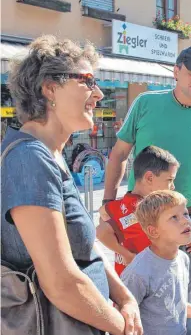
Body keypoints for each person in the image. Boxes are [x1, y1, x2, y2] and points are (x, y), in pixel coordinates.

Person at [1, 35, 142, 335]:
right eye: (88, 81)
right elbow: (61, 282)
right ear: (49, 88)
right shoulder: (30, 159)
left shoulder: (51, 154)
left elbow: (84, 247)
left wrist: (123, 296)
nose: (100, 94)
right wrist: (122, 327)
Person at [103, 45, 191, 335]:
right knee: (133, 297)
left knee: (183, 294)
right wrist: (108, 203)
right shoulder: (146, 103)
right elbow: (118, 155)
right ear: (176, 71)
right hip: (141, 216)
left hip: (189, 218)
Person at [122, 190, 191, 335]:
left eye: (185, 214)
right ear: (153, 231)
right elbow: (124, 319)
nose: (185, 221)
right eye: (174, 217)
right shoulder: (139, 272)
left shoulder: (182, 258)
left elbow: (175, 306)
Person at [97, 145, 179, 276]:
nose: (173, 186)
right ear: (149, 178)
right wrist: (128, 256)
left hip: (131, 276)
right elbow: (101, 232)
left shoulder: (121, 205)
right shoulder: (143, 210)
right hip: (140, 281)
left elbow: (103, 212)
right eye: (169, 180)